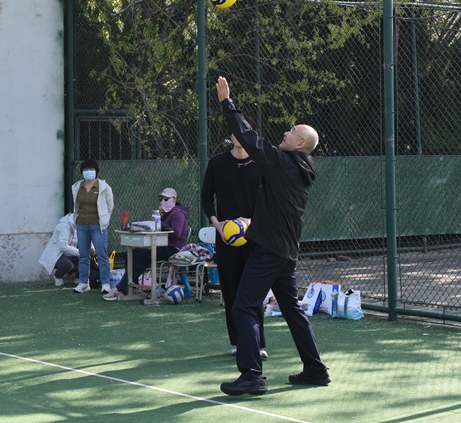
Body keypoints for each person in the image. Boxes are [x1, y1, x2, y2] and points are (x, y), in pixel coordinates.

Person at [214, 76, 329, 397]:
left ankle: (252, 375)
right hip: (285, 253)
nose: (285, 133)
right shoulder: (299, 167)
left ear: (299, 144)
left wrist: (227, 104)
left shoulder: (283, 164)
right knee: (292, 310)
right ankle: (316, 369)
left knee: (243, 307)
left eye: (291, 132)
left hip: (268, 251)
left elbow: (249, 139)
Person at [201, 128, 268, 359]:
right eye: (235, 131)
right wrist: (217, 224)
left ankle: (258, 343)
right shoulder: (217, 163)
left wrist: (253, 222)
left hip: (254, 237)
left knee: (253, 290)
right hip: (226, 238)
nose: (239, 135)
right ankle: (239, 342)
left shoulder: (261, 163)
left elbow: (270, 199)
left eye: (244, 131)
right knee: (231, 290)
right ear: (230, 136)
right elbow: (206, 197)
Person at [103, 188, 190, 301]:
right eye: (161, 199)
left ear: (174, 200)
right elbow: (162, 228)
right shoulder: (168, 213)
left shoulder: (177, 213)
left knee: (142, 256)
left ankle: (121, 288)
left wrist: (159, 222)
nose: (163, 201)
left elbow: (176, 233)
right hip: (162, 245)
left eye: (166, 199)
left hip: (173, 248)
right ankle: (133, 286)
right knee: (131, 253)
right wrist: (160, 219)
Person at [70, 159, 114, 294]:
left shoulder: (104, 187)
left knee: (102, 255)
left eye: (91, 169)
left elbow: (110, 206)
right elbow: (77, 205)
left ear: (96, 171)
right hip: (82, 225)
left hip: (98, 226)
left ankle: (105, 283)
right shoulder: (77, 186)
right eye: (85, 170)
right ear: (82, 172)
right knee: (83, 255)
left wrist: (105, 220)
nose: (88, 172)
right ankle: (83, 283)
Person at [38, 212, 100, 288]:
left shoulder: (81, 224)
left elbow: (88, 236)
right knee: (67, 265)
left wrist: (92, 247)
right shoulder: (64, 226)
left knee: (87, 257)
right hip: (58, 255)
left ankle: (77, 275)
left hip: (72, 253)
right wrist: (81, 252)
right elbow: (63, 247)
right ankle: (58, 276)